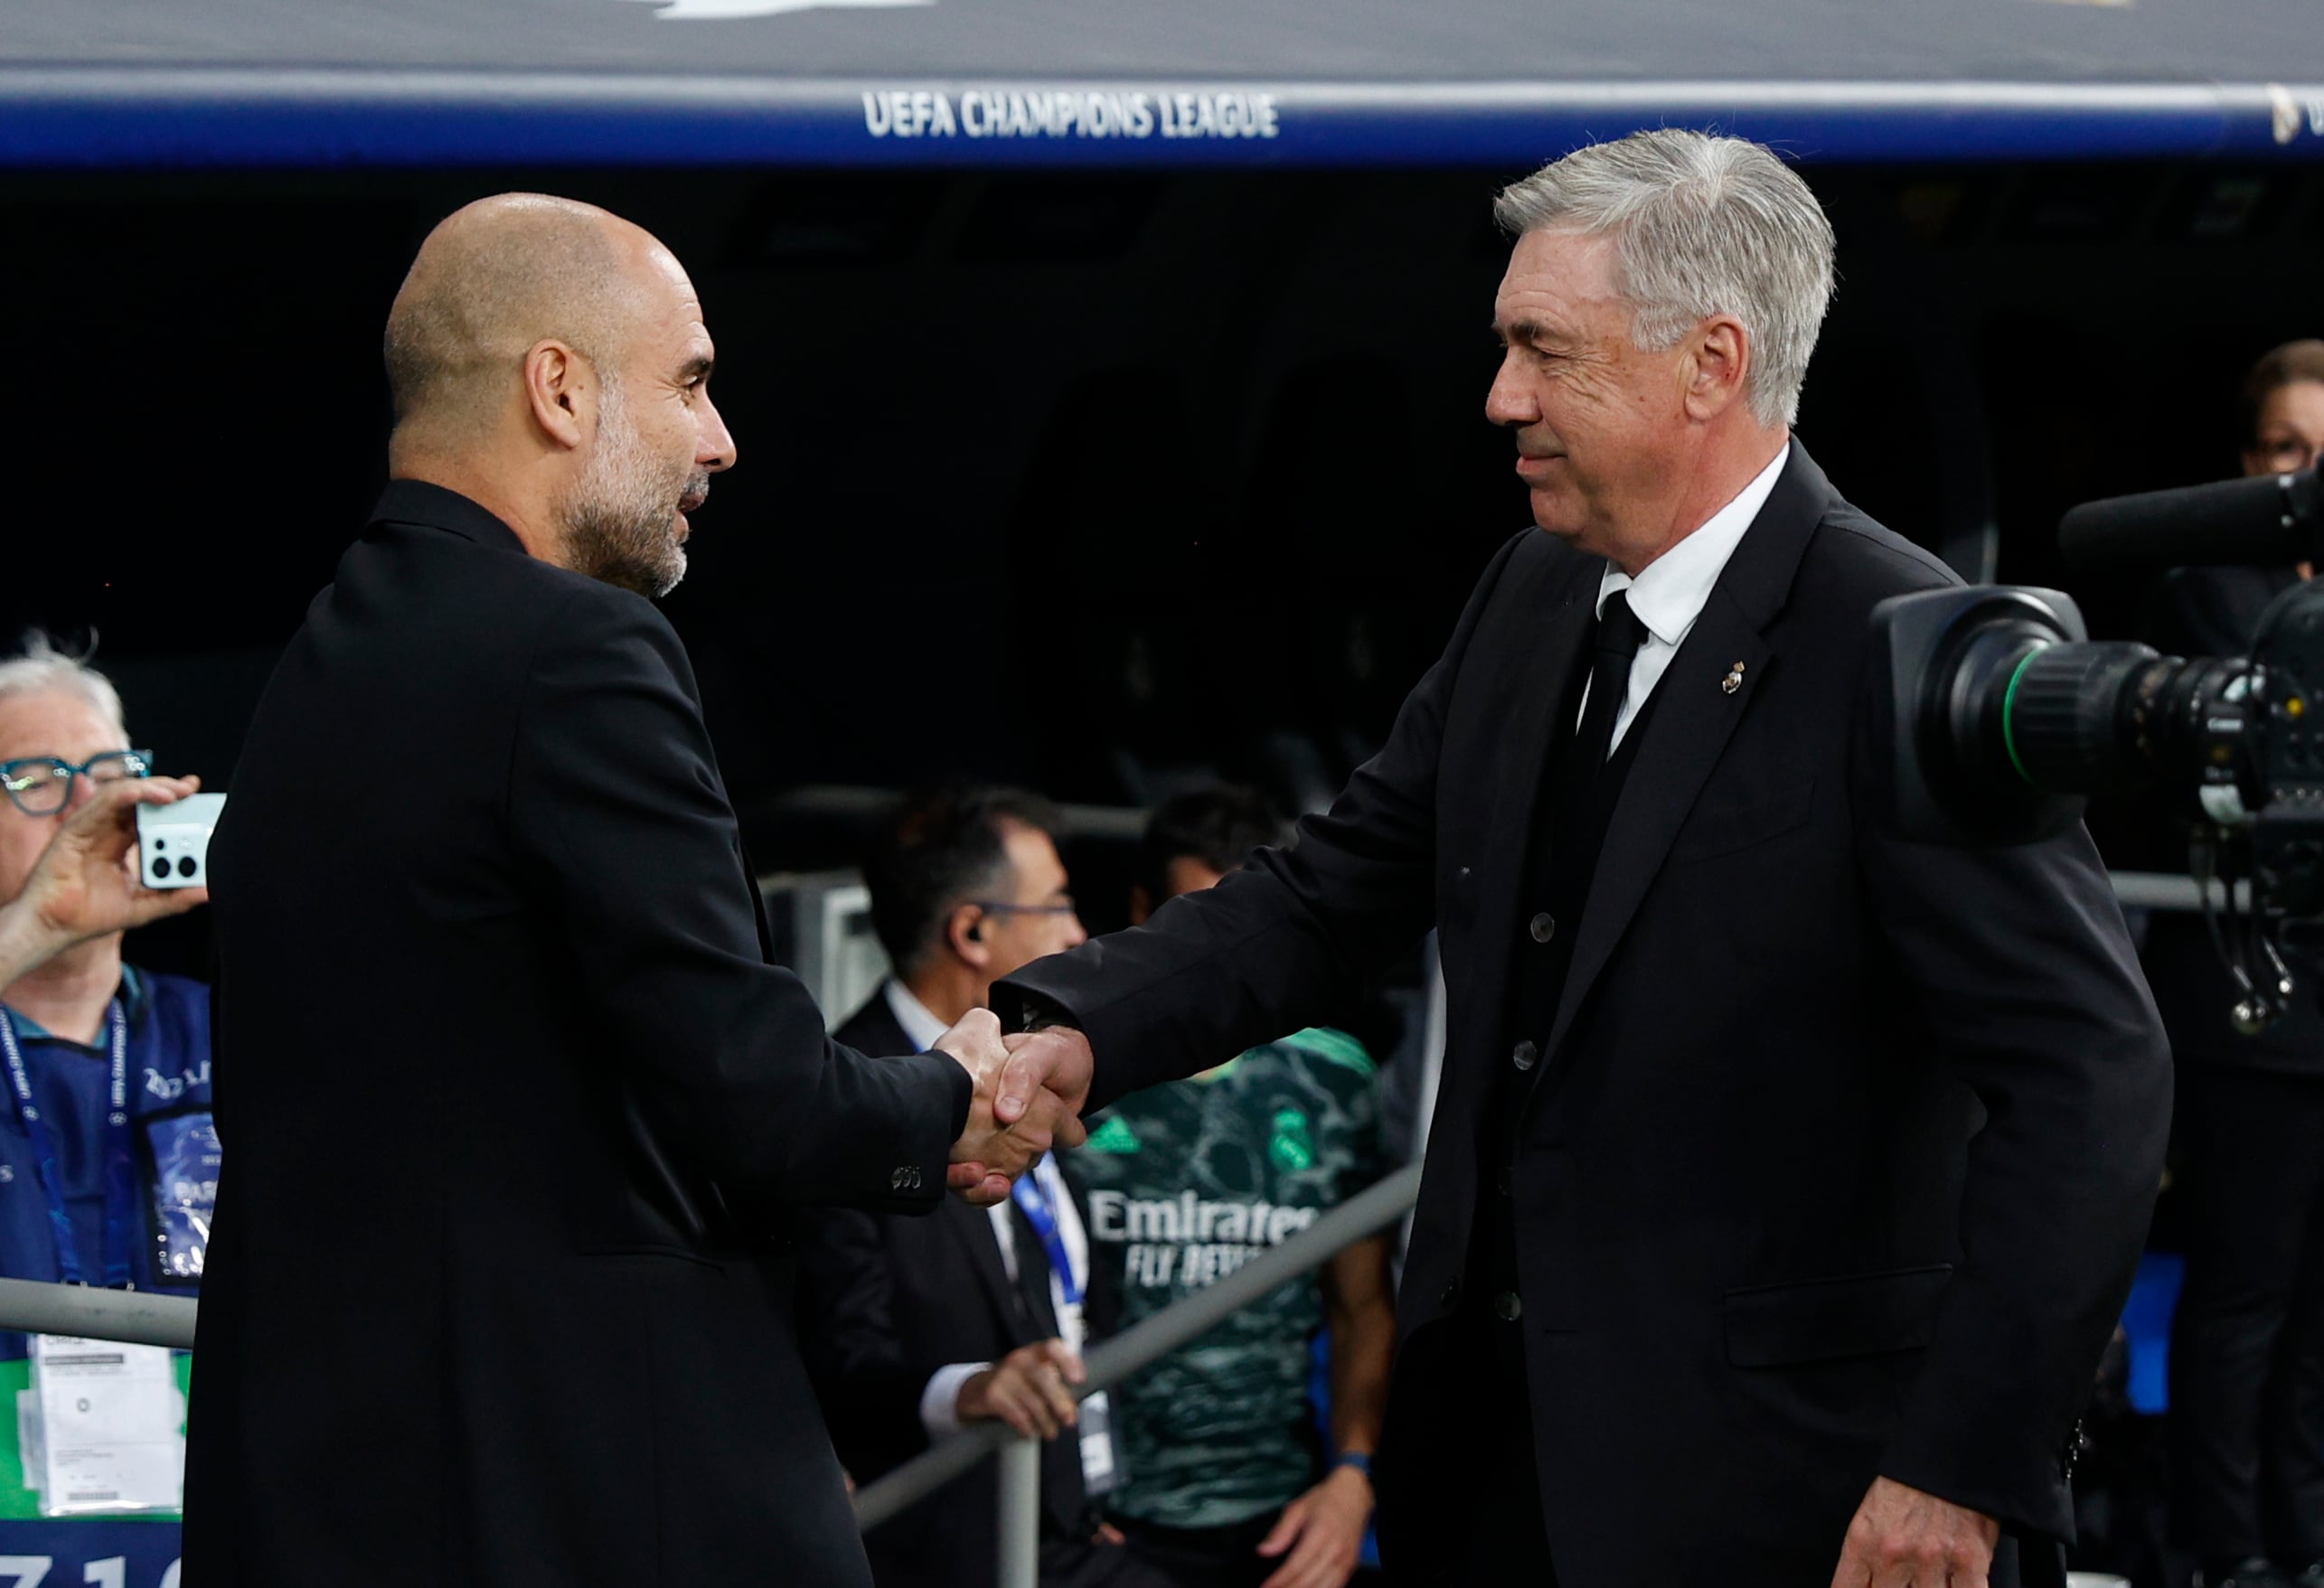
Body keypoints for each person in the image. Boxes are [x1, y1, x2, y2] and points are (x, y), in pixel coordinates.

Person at [992, 129, 2171, 1588]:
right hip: (1497, 1474)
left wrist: (1960, 1464)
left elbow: (2094, 1076)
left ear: (1711, 362)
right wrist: (1078, 1026)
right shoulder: (1530, 587)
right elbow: (1335, 886)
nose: (1502, 399)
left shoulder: (1901, 643)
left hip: (1791, 1494)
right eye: (1505, 347)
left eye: (1545, 352)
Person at [184, 194, 1076, 1588]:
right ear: (557, 388)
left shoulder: (318, 666)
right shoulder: (577, 650)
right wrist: (948, 1090)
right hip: (592, 1487)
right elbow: (761, 1096)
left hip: (326, 1493)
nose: (719, 439)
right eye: (692, 381)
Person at [795, 786, 1173, 1588]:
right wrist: (968, 1389)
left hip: (1079, 1529)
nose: (1079, 933)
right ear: (971, 930)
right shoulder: (845, 1100)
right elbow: (838, 1356)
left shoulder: (1025, 1061)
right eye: (1058, 905)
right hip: (947, 1547)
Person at [1073, 786, 1395, 1588]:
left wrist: (1355, 1477)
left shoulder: (1330, 1078)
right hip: (1105, 1528)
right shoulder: (1074, 1074)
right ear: (1143, 911)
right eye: (1194, 921)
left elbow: (1361, 1308)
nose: (1216, 956)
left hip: (1283, 1521)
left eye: (1237, 927)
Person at [0, 635, 212, 1585]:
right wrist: (33, 923)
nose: (89, 807)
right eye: (35, 780)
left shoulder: (232, 1030)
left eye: (108, 773)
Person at [2150, 340, 2324, 1588]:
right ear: (2247, 462)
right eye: (2287, 451)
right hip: (2246, 1006)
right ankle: (2223, 1555)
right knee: (2240, 1299)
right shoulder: (2208, 575)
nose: (2310, 475)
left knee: (2318, 1317)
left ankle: (2302, 1544)